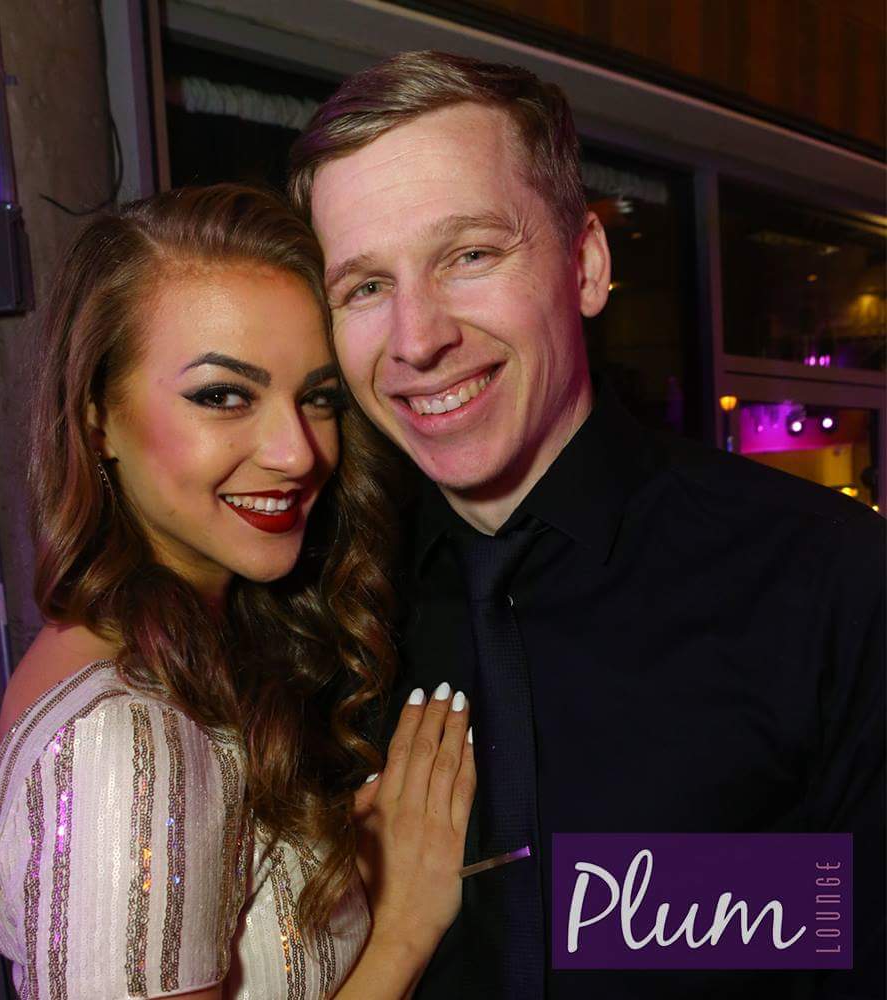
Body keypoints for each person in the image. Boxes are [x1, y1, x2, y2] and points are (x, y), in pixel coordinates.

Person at [287, 50, 885, 1000]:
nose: (416, 338)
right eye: (365, 286)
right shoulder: (323, 614)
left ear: (587, 266)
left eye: (469, 255)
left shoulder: (830, 582)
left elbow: (840, 932)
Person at [0, 184, 476, 999]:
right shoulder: (126, 745)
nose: (297, 453)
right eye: (223, 396)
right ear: (97, 416)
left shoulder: (163, 645)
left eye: (317, 398)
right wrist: (404, 926)